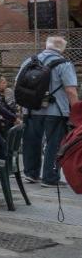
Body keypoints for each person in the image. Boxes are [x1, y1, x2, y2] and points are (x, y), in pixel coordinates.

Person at [17, 36, 80, 187]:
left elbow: (18, 85)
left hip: (31, 109)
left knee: (31, 141)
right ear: (62, 49)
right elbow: (71, 90)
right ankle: (50, 178)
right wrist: (78, 114)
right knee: (54, 144)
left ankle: (31, 174)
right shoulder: (64, 64)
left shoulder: (28, 61)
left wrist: (21, 108)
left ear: (46, 45)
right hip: (56, 111)